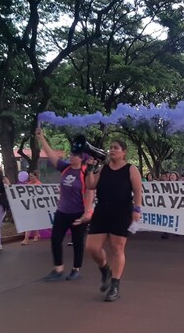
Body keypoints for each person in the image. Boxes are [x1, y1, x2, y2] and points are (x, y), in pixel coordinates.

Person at [85, 139, 142, 302]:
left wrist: (137, 210)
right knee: (92, 247)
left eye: (116, 148)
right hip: (102, 210)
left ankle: (115, 285)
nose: (112, 150)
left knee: (117, 249)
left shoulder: (130, 169)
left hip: (121, 211)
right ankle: (105, 269)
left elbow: (138, 191)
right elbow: (90, 185)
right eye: (110, 148)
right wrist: (89, 170)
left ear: (124, 152)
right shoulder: (103, 168)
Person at [35, 128, 95, 282]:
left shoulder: (85, 172)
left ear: (81, 158)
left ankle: (76, 269)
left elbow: (90, 191)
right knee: (55, 239)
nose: (72, 157)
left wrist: (87, 212)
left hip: (78, 213)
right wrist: (42, 138)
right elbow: (51, 155)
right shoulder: (65, 168)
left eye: (75, 156)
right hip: (62, 211)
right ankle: (58, 268)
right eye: (71, 155)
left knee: (77, 242)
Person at [22, 170, 42, 246]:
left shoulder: (39, 184)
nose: (30, 178)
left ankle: (26, 239)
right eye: (29, 176)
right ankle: (36, 235)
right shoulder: (28, 184)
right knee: (31, 221)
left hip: (36, 206)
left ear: (36, 177)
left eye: (32, 176)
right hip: (30, 206)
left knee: (31, 222)